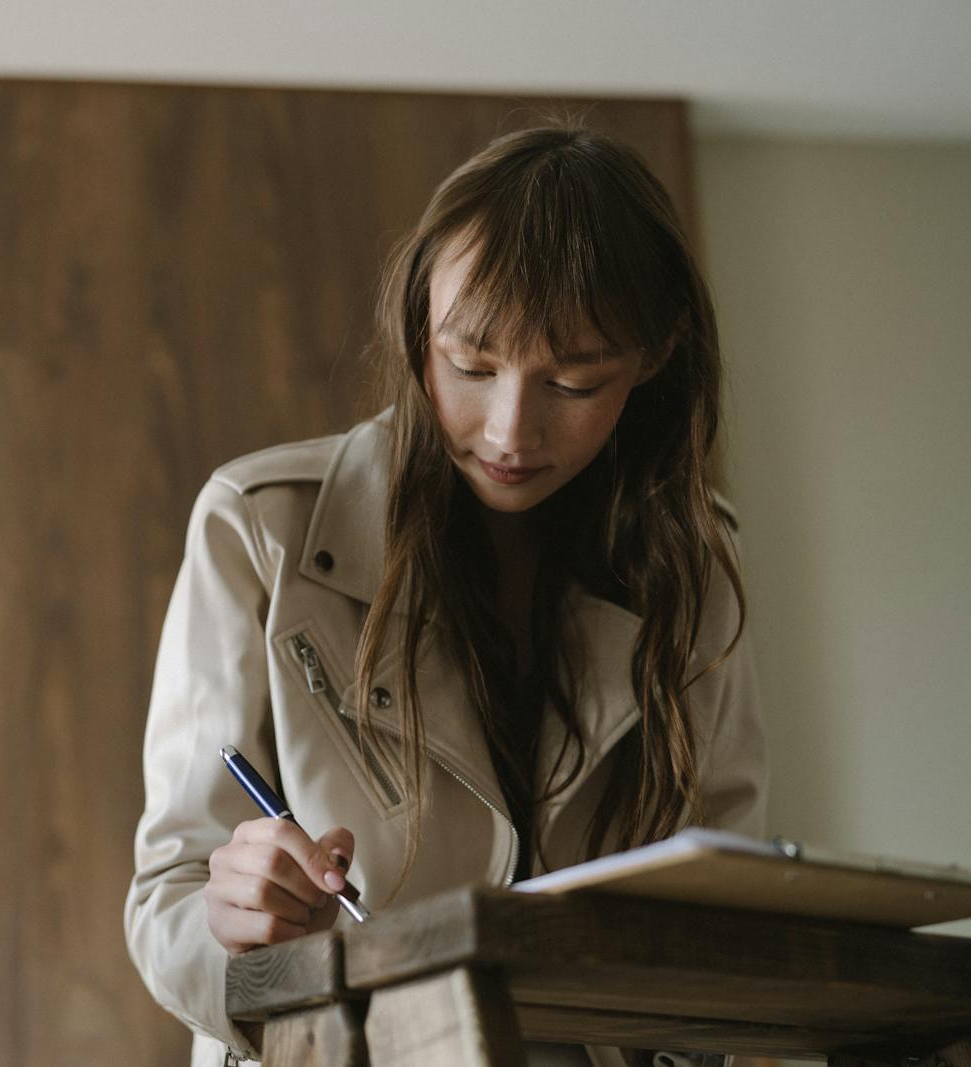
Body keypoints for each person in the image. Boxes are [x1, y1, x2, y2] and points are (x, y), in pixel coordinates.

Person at [124, 126, 767, 1066]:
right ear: (417, 318)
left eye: (574, 380)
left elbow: (726, 899)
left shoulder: (693, 562)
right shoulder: (258, 528)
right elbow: (170, 893)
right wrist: (236, 920)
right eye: (470, 364)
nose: (511, 427)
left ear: (658, 352)